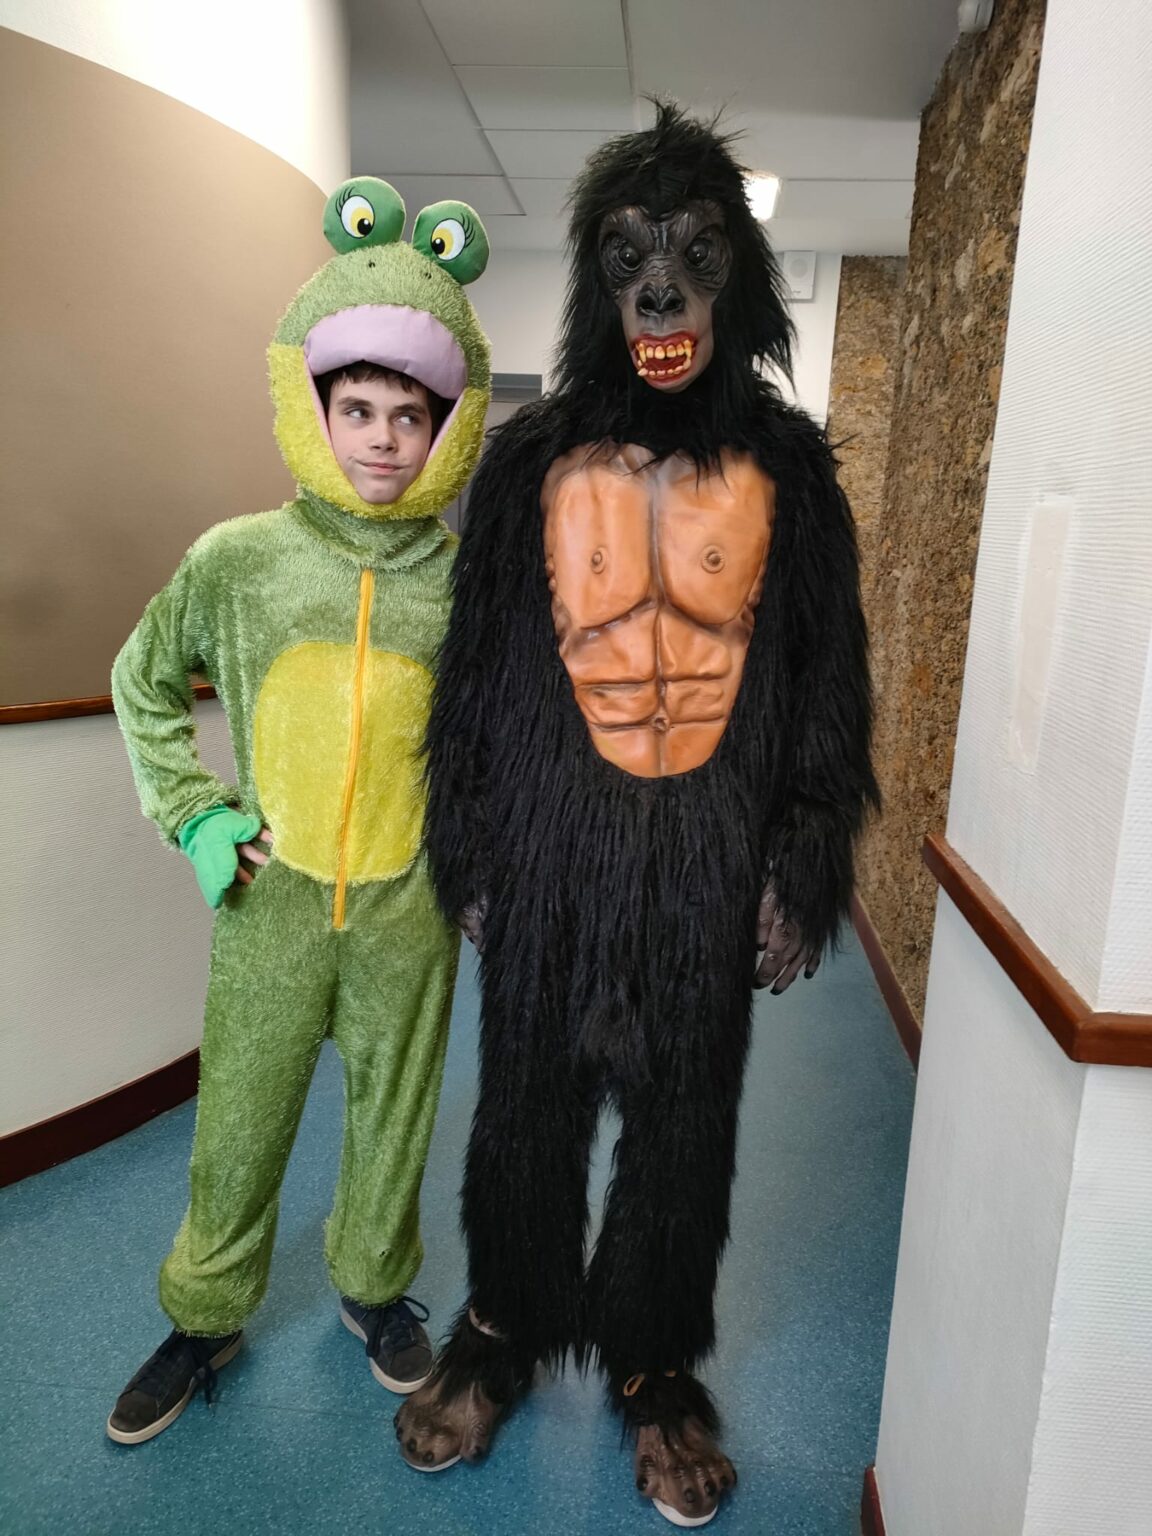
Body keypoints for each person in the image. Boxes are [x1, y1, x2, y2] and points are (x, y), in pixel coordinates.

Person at [398, 106, 876, 1527]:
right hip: (555, 846)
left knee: (686, 1124)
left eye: (693, 252)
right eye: (630, 256)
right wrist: (469, 845)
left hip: (706, 858)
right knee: (523, 1112)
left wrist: (803, 855)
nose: (661, 287)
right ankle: (502, 1326)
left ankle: (656, 1366)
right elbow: (475, 676)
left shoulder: (794, 475)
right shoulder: (526, 465)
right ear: (596, 281)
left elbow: (826, 685)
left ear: (738, 277)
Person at [106, 178, 492, 1445]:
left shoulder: (470, 585)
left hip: (407, 911)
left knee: (395, 1117)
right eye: (358, 409)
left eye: (409, 416)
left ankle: (374, 1291)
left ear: (446, 427)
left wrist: (480, 863)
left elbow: (495, 744)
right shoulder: (240, 561)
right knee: (241, 1119)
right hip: (269, 900)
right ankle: (205, 1314)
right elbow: (141, 679)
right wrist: (197, 816)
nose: (382, 440)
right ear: (313, 407)